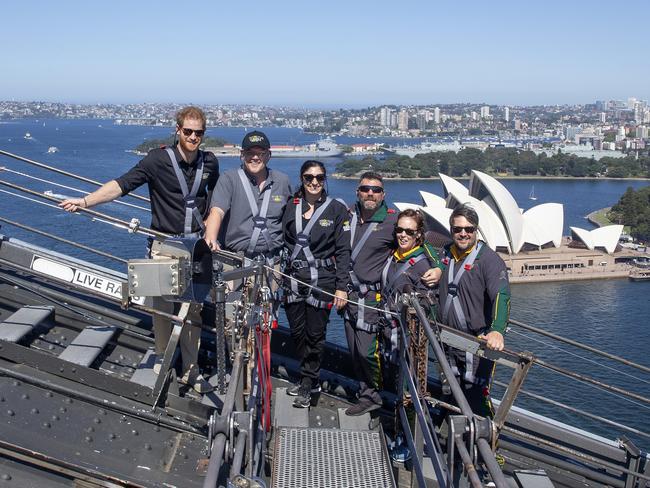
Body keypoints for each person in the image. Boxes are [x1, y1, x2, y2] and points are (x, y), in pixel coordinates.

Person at [60, 106, 219, 393]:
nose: (193, 137)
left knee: (193, 309)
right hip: (164, 244)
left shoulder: (210, 163)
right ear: (177, 130)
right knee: (162, 308)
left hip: (194, 247)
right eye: (188, 132)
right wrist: (85, 201)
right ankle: (163, 356)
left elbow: (216, 200)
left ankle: (191, 370)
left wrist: (211, 230)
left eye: (198, 133)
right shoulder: (157, 159)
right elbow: (122, 185)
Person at [343, 172, 440, 416]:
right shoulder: (348, 215)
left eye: (375, 190)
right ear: (358, 192)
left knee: (367, 351)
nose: (370, 193)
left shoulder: (393, 221)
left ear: (383, 194)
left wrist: (438, 266)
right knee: (354, 349)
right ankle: (367, 391)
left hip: (371, 300)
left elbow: (423, 240)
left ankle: (372, 396)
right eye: (365, 188)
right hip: (348, 295)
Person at [282, 160, 350, 408]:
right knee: (298, 332)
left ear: (325, 180)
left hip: (323, 278)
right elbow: (279, 237)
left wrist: (341, 286)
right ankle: (307, 375)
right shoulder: (291, 205)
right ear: (301, 178)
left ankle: (309, 383)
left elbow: (343, 251)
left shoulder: (336, 210)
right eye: (309, 177)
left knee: (315, 334)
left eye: (319, 178)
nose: (314, 182)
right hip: (292, 278)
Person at [437, 203, 511, 417]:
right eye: (457, 229)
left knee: (476, 398)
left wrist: (497, 329)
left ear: (476, 231)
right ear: (451, 230)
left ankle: (483, 444)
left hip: (475, 342)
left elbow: (501, 295)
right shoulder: (446, 254)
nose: (463, 233)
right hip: (446, 340)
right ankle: (450, 434)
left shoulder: (489, 260)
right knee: (449, 390)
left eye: (469, 229)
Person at [204, 131, 291, 271]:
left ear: (269, 156)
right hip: (236, 261)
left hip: (271, 263)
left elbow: (290, 217)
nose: (255, 158)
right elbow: (217, 211)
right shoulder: (229, 179)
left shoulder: (281, 181)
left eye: (260, 153)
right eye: (250, 153)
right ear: (242, 154)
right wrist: (211, 238)